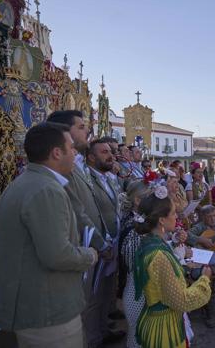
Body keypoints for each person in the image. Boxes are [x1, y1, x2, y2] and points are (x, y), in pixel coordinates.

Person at [0, 122, 97, 347]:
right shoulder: (46, 190)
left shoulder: (25, 183)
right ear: (56, 153)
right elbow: (57, 255)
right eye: (71, 147)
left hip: (32, 306)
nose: (75, 152)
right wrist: (89, 254)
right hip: (47, 311)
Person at [47, 111, 115, 346]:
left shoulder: (76, 165)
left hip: (93, 242)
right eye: (81, 126)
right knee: (86, 305)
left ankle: (98, 335)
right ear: (64, 131)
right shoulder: (60, 171)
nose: (88, 130)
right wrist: (99, 244)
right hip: (82, 246)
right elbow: (78, 212)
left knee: (97, 300)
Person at [134, 186, 212, 348]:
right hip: (164, 331)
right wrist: (204, 280)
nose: (177, 216)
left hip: (157, 321)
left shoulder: (149, 243)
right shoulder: (159, 255)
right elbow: (181, 301)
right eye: (173, 213)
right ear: (162, 220)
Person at [86, 138, 124, 345]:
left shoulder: (108, 178)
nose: (110, 155)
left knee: (106, 290)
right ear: (91, 157)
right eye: (104, 152)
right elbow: (88, 214)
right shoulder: (87, 179)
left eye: (110, 151)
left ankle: (103, 328)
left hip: (113, 242)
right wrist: (100, 242)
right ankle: (93, 338)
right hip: (99, 245)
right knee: (94, 295)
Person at [119, 181, 153, 348]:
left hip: (141, 287)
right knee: (138, 335)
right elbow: (134, 264)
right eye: (150, 197)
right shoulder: (132, 227)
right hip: (137, 290)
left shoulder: (140, 221)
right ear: (138, 200)